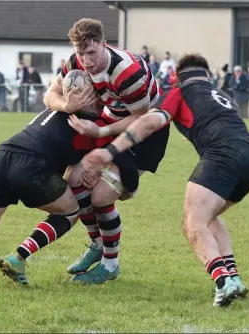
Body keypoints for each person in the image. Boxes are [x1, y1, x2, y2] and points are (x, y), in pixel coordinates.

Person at [81, 53, 249, 307]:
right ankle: (234, 277)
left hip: (222, 156)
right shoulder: (223, 96)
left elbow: (148, 123)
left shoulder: (179, 92)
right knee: (208, 217)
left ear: (178, 77)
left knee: (193, 224)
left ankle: (224, 282)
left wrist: (109, 148)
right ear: (207, 76)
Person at [0, 108, 125, 288]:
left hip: (3, 156)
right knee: (70, 211)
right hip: (32, 165)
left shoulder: (53, 106)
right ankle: (19, 257)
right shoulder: (90, 122)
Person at [43, 18, 169, 284]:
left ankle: (110, 266)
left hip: (147, 133)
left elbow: (140, 119)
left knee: (100, 196)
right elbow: (50, 94)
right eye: (81, 53)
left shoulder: (128, 72)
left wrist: (98, 134)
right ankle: (97, 245)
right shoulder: (75, 62)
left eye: (91, 52)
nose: (86, 61)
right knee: (74, 180)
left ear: (103, 44)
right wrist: (67, 105)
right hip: (110, 121)